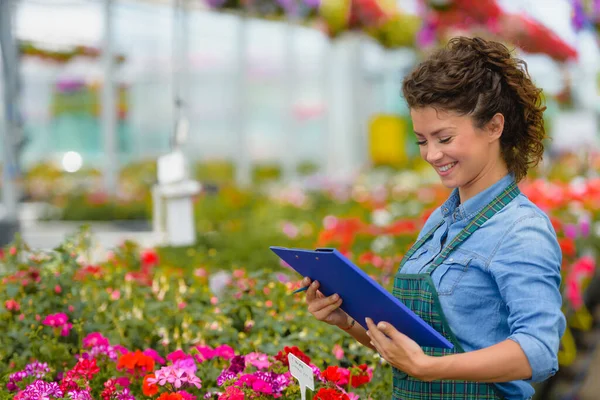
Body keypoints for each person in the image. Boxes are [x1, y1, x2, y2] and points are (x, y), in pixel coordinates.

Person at [302, 36, 566, 400]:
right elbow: (414, 348)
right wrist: (345, 321)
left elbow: (539, 350)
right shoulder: (439, 222)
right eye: (422, 140)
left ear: (494, 127)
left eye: (443, 137)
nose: (431, 154)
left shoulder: (521, 230)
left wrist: (428, 368)